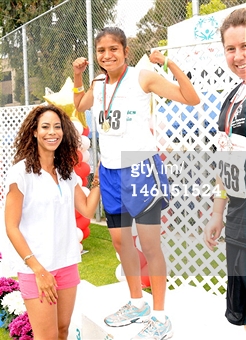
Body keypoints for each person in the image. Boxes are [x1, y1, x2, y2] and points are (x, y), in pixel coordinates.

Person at [72, 27, 200, 340]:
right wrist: (77, 79)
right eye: (101, 50)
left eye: (113, 49)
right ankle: (136, 302)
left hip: (141, 168)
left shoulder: (143, 77)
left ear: (126, 51)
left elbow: (191, 98)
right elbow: (81, 106)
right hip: (111, 173)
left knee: (150, 245)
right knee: (120, 242)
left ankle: (159, 316)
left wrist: (167, 63)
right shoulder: (99, 82)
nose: (107, 56)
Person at [4, 104, 100, 340]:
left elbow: (87, 210)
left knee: (62, 331)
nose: (52, 132)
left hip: (66, 263)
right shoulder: (21, 173)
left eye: (57, 127)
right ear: (34, 132)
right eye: (45, 127)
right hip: (37, 268)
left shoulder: (66, 172)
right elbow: (11, 227)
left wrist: (98, 182)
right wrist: (38, 270)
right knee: (45, 337)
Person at [203, 8, 246, 330]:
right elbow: (227, 164)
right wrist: (218, 212)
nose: (238, 56)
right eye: (231, 48)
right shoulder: (231, 99)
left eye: (245, 46)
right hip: (238, 220)